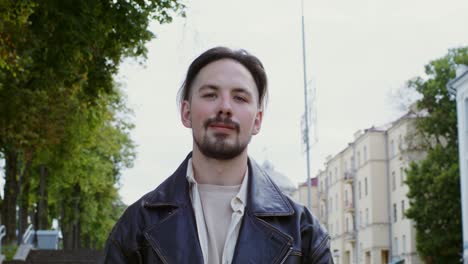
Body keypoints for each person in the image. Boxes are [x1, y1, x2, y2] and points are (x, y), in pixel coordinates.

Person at [103, 47, 333, 264]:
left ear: (257, 120)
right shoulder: (135, 227)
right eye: (211, 95)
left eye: (240, 98)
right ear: (186, 113)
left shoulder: (304, 232)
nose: (225, 107)